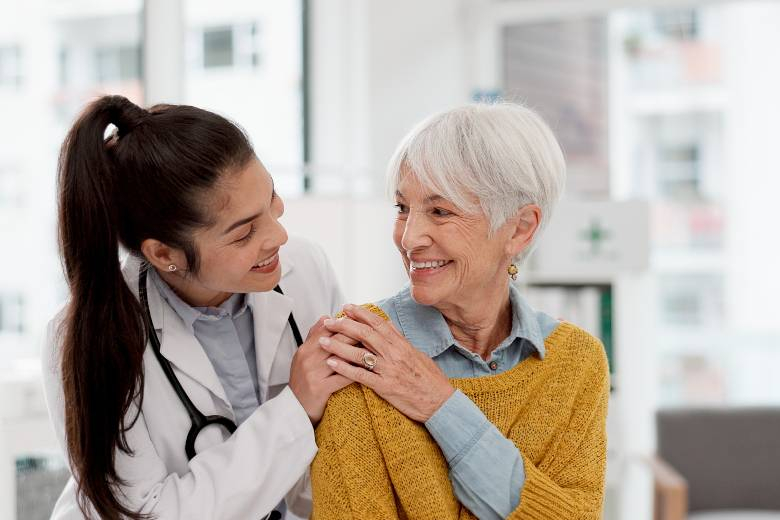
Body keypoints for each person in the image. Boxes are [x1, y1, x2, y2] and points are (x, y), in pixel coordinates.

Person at [42, 95, 353, 520]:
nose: (278, 236)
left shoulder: (305, 270)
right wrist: (295, 410)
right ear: (165, 253)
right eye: (244, 233)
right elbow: (144, 513)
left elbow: (343, 439)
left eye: (272, 200)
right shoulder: (87, 337)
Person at [310, 103, 610, 519]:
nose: (409, 237)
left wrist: (440, 405)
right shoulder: (360, 350)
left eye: (440, 211)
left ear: (520, 228)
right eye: (402, 208)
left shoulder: (576, 362)